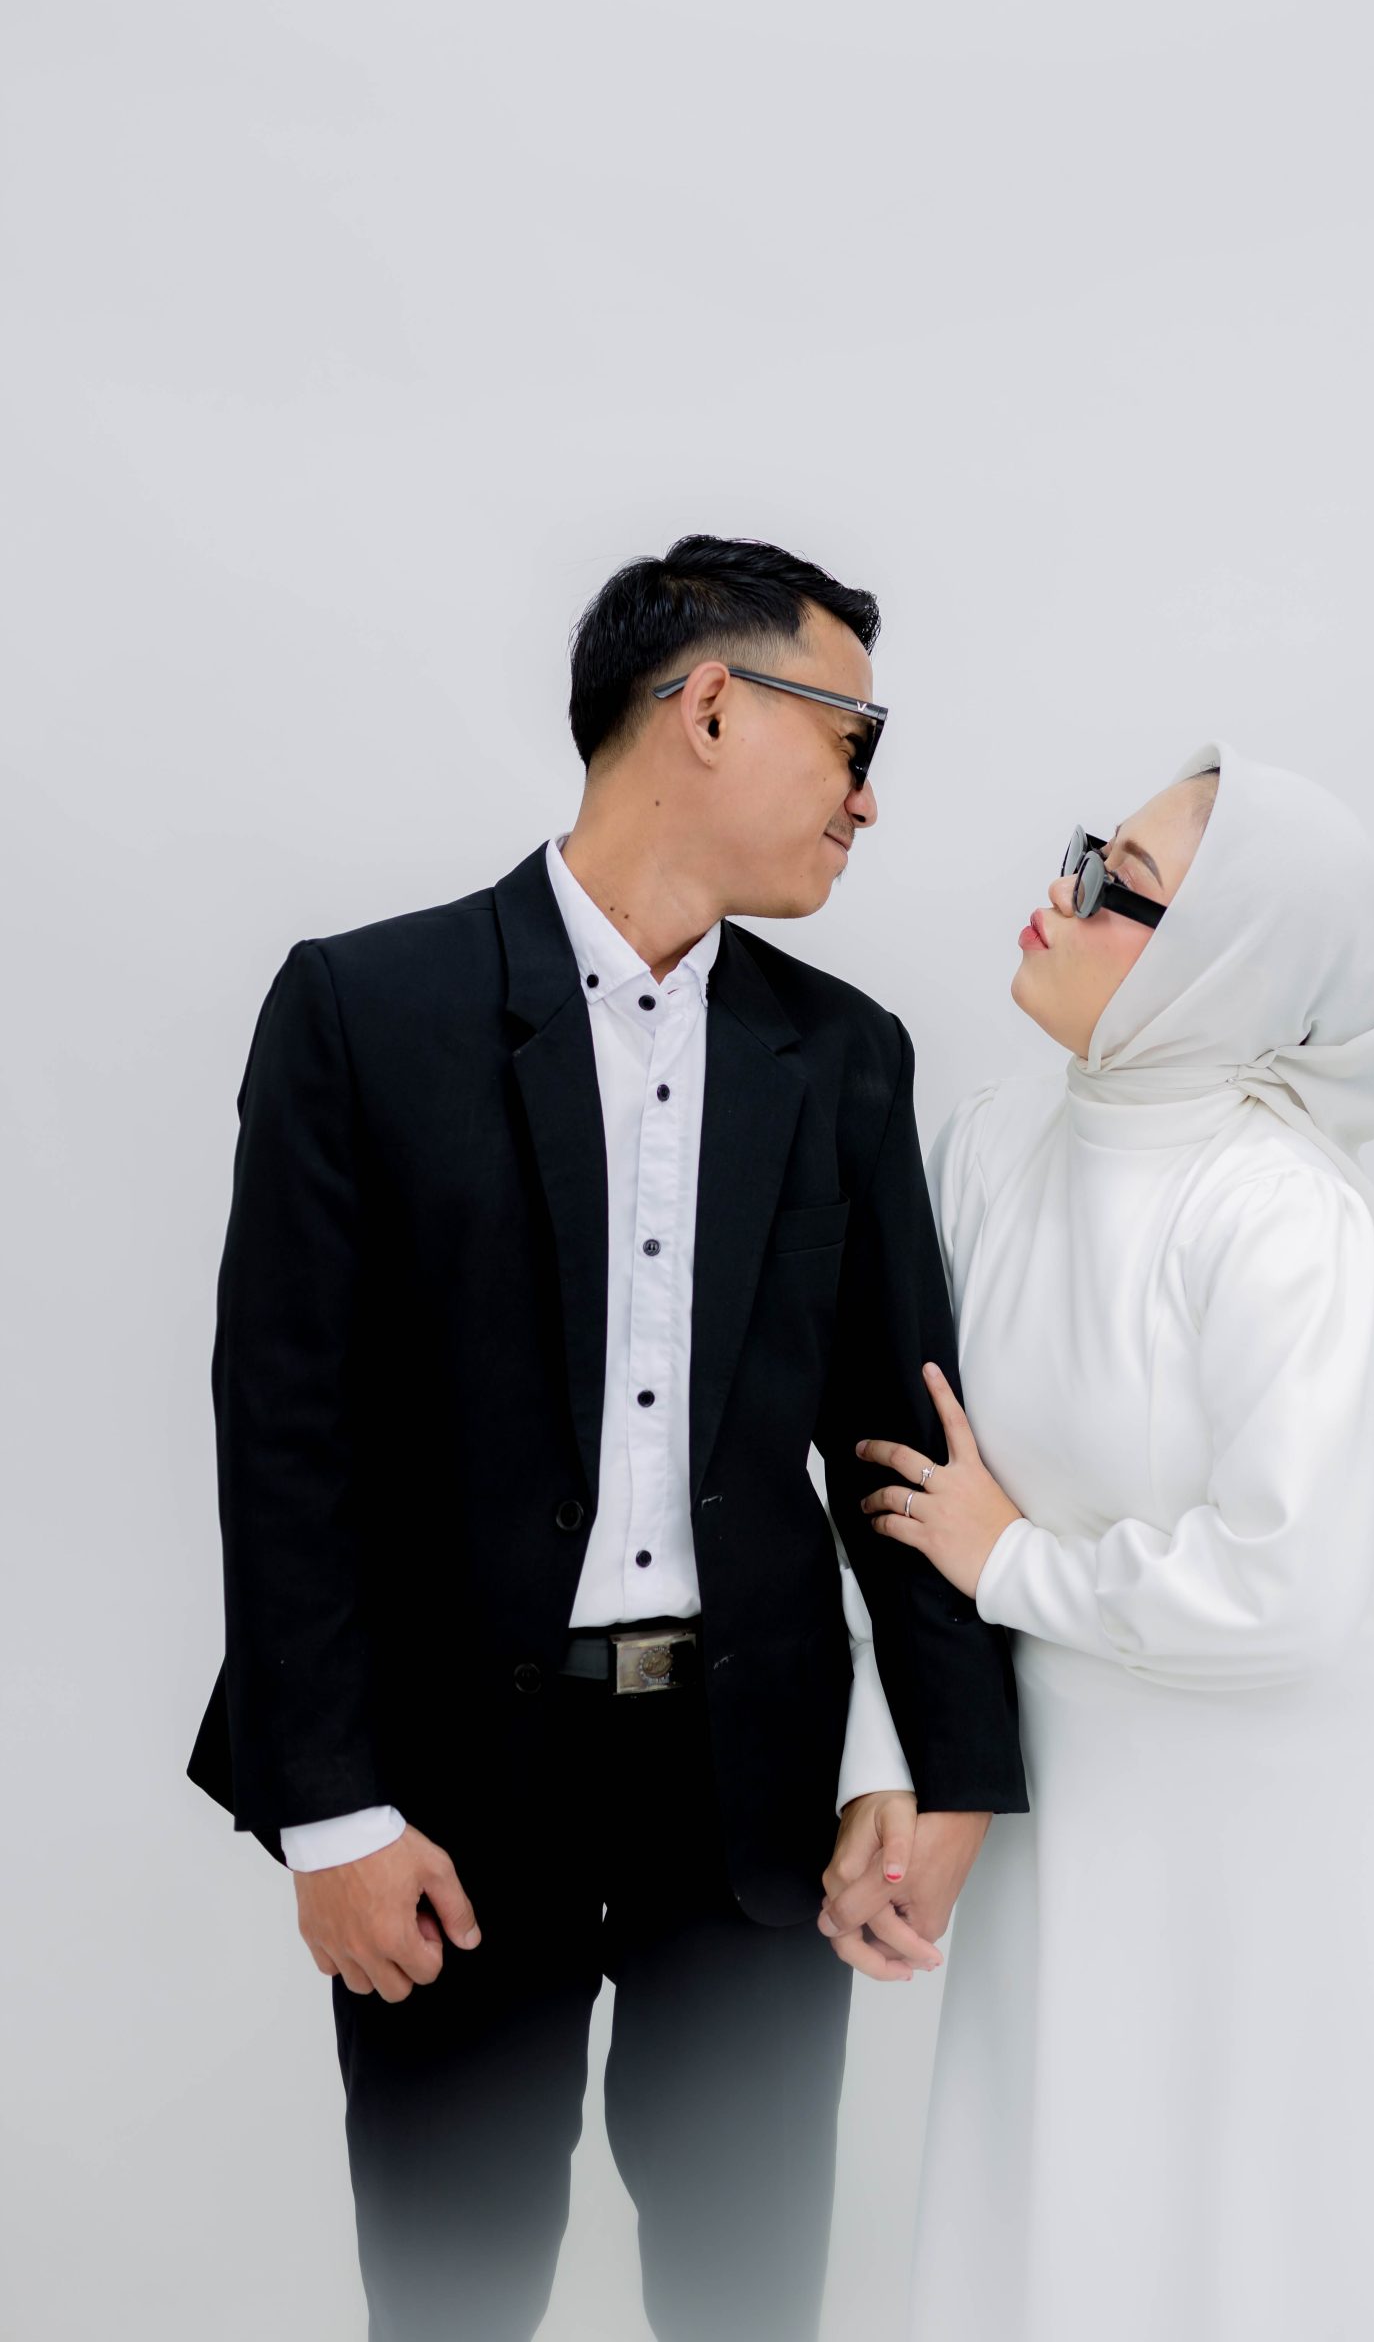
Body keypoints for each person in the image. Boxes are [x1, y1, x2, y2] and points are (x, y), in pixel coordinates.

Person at [185, 534, 1027, 2342]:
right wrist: (330, 1813)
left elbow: (903, 1446)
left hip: (752, 1798)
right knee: (450, 2297)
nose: (869, 800)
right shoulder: (364, 1011)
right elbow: (285, 1435)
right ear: (709, 707)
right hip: (443, 1802)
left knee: (749, 2300)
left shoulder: (844, 1055)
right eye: (854, 742)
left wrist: (944, 1763)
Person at [836, 742, 1374, 2341]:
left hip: (1326, 1843)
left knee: (1303, 2264)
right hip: (1093, 1831)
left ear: (1226, 964)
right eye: (1087, 848)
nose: (1062, 888)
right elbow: (896, 1495)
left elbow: (1286, 1588)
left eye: (1120, 885)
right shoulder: (987, 1146)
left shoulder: (1281, 1215)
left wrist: (1012, 1564)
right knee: (1088, 2241)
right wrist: (891, 1764)